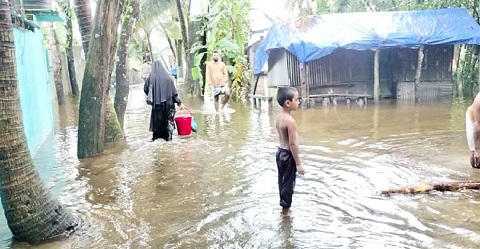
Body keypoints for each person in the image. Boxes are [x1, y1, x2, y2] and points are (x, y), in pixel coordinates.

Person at [275, 87, 305, 217]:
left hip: (280, 153)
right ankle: (286, 213)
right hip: (288, 155)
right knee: (288, 183)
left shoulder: (279, 117)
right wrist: (298, 163)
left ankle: (283, 207)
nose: (298, 102)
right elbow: (293, 144)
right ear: (288, 103)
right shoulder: (291, 121)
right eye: (297, 100)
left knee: (281, 181)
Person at [144, 61, 184, 141]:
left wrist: (155, 96)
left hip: (157, 105)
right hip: (169, 105)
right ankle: (169, 138)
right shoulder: (168, 78)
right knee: (168, 122)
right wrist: (179, 102)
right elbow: (174, 92)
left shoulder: (151, 78)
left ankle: (156, 138)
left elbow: (145, 89)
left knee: (157, 123)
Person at [467, 92, 480, 168]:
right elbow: (477, 125)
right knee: (476, 153)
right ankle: (473, 174)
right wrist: (477, 149)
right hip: (474, 120)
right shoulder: (479, 99)